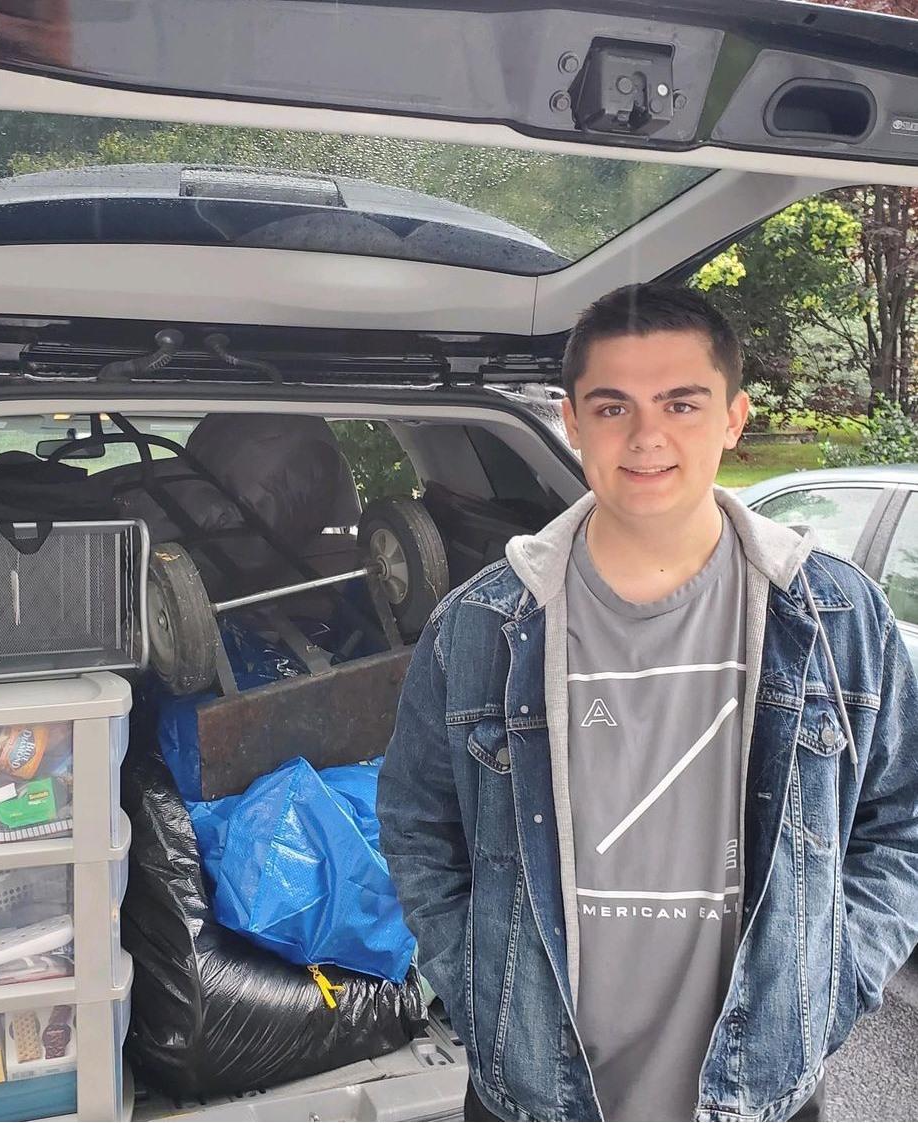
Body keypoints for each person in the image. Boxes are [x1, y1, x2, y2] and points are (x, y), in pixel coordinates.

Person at [377, 283, 918, 1123]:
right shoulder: (480, 627)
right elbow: (418, 829)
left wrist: (834, 976)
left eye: (681, 402)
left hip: (764, 1094)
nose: (647, 436)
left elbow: (900, 822)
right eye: (613, 406)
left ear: (734, 419)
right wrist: (480, 981)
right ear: (571, 421)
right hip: (529, 1093)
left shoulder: (837, 619)